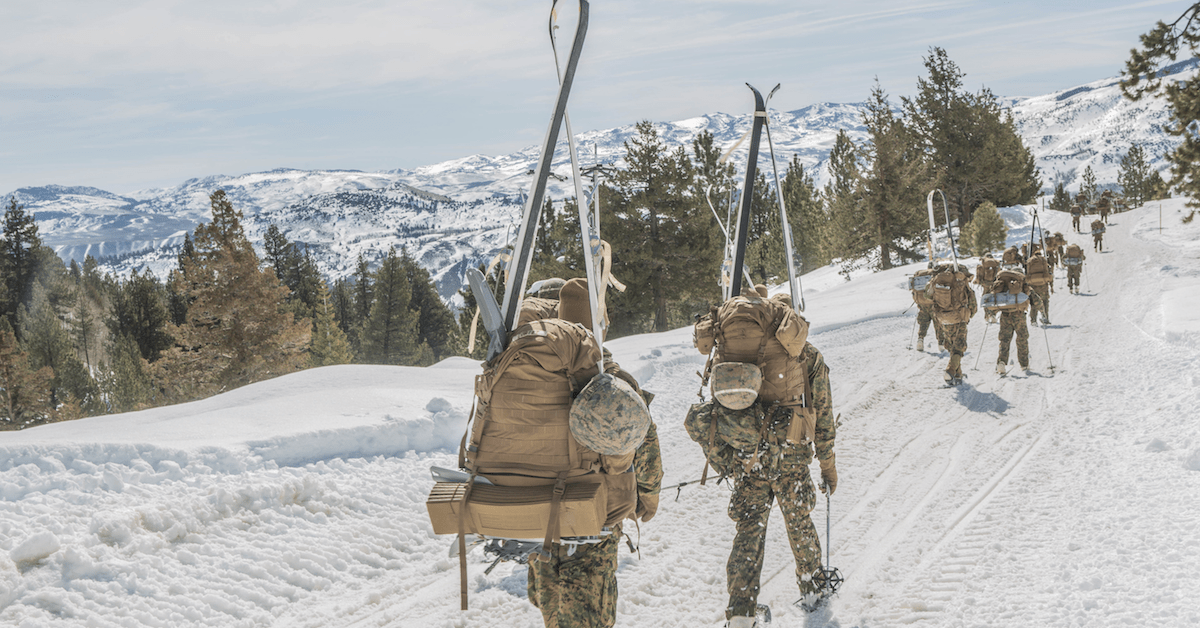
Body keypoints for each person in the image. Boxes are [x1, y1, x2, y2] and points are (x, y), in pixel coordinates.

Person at [525, 278, 664, 628]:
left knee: (553, 613)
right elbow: (642, 443)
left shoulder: (521, 373)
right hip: (592, 524)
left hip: (534, 521)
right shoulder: (607, 376)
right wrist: (646, 499)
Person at [723, 293, 837, 628]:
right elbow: (824, 414)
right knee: (798, 521)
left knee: (749, 531)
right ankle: (813, 589)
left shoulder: (737, 351)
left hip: (750, 456)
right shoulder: (807, 354)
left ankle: (741, 612)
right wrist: (827, 465)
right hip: (790, 453)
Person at [986, 270, 1031, 375]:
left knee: (1004, 340)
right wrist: (1041, 310)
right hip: (1019, 316)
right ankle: (1024, 365)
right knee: (1022, 339)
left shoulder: (1003, 283)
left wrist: (990, 312)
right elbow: (1033, 297)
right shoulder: (1020, 283)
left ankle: (1001, 363)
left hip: (1005, 315)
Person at [1024, 250, 1052, 326]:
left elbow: (1027, 272)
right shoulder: (1043, 260)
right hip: (1043, 284)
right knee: (1045, 301)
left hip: (1033, 284)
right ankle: (1045, 318)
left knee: (1034, 302)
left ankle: (1033, 320)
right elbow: (1047, 271)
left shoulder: (1030, 260)